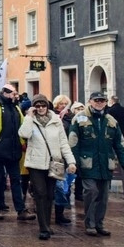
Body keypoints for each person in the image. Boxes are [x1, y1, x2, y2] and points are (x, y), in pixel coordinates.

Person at [68, 91, 124, 237]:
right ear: (90, 101)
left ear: (106, 102)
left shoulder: (111, 121)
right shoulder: (79, 119)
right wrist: (73, 162)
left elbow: (119, 144)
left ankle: (99, 224)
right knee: (91, 191)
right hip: (87, 163)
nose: (99, 103)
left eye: (102, 100)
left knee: (103, 196)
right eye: (96, 100)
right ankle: (90, 224)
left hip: (105, 164)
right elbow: (73, 142)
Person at [18, 94, 77, 240]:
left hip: (53, 163)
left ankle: (47, 224)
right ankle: (43, 228)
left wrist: (71, 162)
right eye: (37, 106)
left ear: (47, 106)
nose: (41, 108)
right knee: (40, 193)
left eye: (43, 105)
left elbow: (63, 143)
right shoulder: (30, 120)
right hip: (35, 164)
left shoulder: (56, 121)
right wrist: (29, 117)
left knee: (50, 195)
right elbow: (23, 134)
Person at [0, 84, 34, 221]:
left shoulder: (16, 108)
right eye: (12, 93)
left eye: (15, 93)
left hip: (13, 151)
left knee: (16, 180)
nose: (15, 96)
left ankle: (21, 210)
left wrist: (21, 144)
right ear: (4, 92)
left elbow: (21, 127)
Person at [51, 95, 75, 225]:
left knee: (66, 185)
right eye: (61, 103)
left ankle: (60, 213)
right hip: (56, 156)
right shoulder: (54, 116)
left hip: (67, 154)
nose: (63, 106)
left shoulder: (71, 118)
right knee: (58, 186)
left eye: (66, 103)